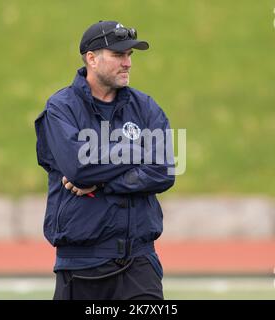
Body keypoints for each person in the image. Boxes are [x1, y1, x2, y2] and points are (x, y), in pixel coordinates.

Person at [34, 20, 175, 300]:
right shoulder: (60, 108)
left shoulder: (146, 107)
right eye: (119, 55)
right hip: (80, 265)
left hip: (139, 262)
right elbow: (79, 168)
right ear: (92, 59)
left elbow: (163, 170)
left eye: (130, 55)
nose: (128, 63)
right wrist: (136, 152)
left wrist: (102, 184)